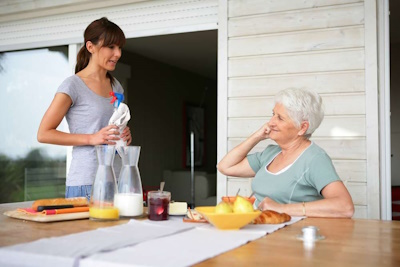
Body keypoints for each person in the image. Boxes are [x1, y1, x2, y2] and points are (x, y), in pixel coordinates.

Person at [217, 88, 354, 218]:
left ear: (302, 127)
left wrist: (282, 209)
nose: (271, 122)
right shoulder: (271, 153)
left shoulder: (314, 159)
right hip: (260, 230)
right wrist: (257, 136)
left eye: (280, 118)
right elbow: (225, 167)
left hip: (290, 236)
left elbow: (345, 207)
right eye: (273, 115)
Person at [37, 17, 132, 200]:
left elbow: (111, 126)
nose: (118, 53)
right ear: (91, 47)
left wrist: (124, 133)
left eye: (119, 47)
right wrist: (92, 138)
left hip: (119, 179)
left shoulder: (116, 86)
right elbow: (43, 133)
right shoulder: (73, 85)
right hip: (87, 182)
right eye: (111, 47)